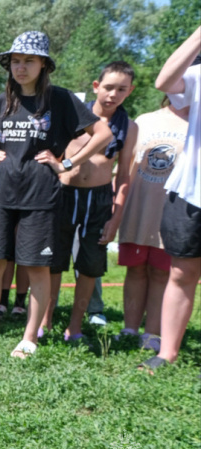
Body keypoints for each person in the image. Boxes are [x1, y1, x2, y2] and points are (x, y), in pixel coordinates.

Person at [0, 31, 112, 358]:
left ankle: (30, 337)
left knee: (36, 267)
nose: (21, 67)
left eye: (28, 60)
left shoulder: (61, 99)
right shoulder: (4, 101)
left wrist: (68, 162)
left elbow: (103, 133)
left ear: (43, 64)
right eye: (16, 61)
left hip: (40, 197)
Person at [42, 61, 138, 342]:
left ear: (129, 92)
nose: (113, 94)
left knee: (89, 266)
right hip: (62, 194)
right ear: (97, 87)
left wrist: (115, 219)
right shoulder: (72, 116)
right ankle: (44, 321)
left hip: (98, 201)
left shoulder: (128, 128)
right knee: (53, 262)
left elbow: (123, 178)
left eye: (121, 89)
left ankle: (75, 326)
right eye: (108, 87)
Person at [141, 27, 201, 372]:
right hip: (192, 190)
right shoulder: (198, 74)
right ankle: (167, 354)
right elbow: (164, 82)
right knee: (181, 273)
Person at [116, 96, 188, 351]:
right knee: (135, 269)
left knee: (161, 272)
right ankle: (129, 329)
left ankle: (152, 334)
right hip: (138, 207)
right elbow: (125, 165)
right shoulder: (145, 121)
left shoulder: (196, 123)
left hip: (174, 210)